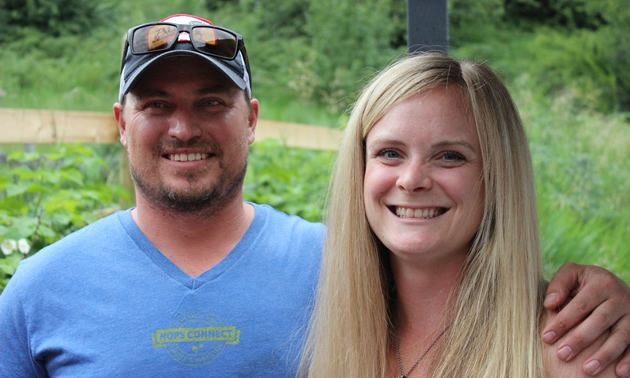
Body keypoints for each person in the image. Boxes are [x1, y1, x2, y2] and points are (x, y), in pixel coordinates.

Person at [0, 14, 628, 377]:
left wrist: (605, 301)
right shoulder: (37, 289)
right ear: (119, 123)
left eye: (212, 103)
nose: (184, 127)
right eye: (157, 104)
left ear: (251, 119)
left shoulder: (332, 265)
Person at [299, 53, 630, 377]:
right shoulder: (322, 321)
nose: (412, 180)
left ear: (498, 177)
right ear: (360, 170)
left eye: (449, 156)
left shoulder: (574, 344)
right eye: (390, 153)